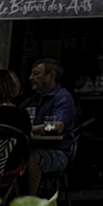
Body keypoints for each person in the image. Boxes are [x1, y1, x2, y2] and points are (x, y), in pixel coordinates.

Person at [24, 57, 77, 198]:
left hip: (57, 151)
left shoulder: (63, 98)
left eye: (36, 74)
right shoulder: (34, 98)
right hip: (32, 146)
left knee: (32, 157)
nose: (31, 78)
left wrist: (29, 129)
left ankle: (30, 204)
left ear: (51, 76)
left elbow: (57, 127)